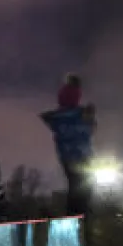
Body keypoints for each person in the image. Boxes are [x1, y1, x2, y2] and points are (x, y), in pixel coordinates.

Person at [40, 74, 97, 216]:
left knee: (78, 187)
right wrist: (88, 120)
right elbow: (86, 132)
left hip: (68, 156)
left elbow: (81, 131)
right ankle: (79, 219)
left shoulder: (60, 118)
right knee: (82, 189)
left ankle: (77, 217)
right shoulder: (76, 116)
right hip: (80, 155)